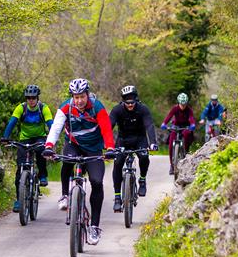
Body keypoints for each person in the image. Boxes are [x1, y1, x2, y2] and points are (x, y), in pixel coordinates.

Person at [44, 78, 115, 245]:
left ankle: (94, 227)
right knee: (67, 160)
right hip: (73, 144)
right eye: (76, 97)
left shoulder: (97, 107)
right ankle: (64, 195)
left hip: (93, 148)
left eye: (82, 96)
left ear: (87, 95)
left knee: (96, 182)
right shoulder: (66, 107)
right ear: (72, 97)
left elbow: (106, 129)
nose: (79, 100)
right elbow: (56, 127)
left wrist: (110, 148)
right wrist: (49, 146)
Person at [1, 84, 53, 213]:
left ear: (37, 98)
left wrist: (52, 139)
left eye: (33, 98)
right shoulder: (21, 108)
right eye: (28, 98)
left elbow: (50, 124)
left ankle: (42, 175)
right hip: (25, 138)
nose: (31, 100)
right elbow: (12, 122)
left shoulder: (43, 108)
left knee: (41, 151)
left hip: (40, 137)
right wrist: (5, 137)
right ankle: (19, 200)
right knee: (20, 170)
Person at [109, 84, 158, 212]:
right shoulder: (117, 110)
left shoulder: (143, 109)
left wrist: (153, 143)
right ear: (123, 101)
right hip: (123, 140)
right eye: (127, 102)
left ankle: (142, 180)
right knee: (118, 163)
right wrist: (106, 145)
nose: (130, 105)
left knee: (144, 156)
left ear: (136, 99)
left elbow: (149, 125)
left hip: (139, 139)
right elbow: (108, 127)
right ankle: (117, 197)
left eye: (132, 102)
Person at [160, 92, 196, 174]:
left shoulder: (189, 110)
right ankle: (172, 166)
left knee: (187, 135)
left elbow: (191, 118)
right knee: (170, 143)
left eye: (184, 104)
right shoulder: (175, 108)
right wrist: (164, 123)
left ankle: (185, 152)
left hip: (185, 127)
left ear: (186, 103)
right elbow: (169, 116)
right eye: (181, 104)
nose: (183, 106)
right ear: (179, 102)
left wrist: (192, 124)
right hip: (175, 126)